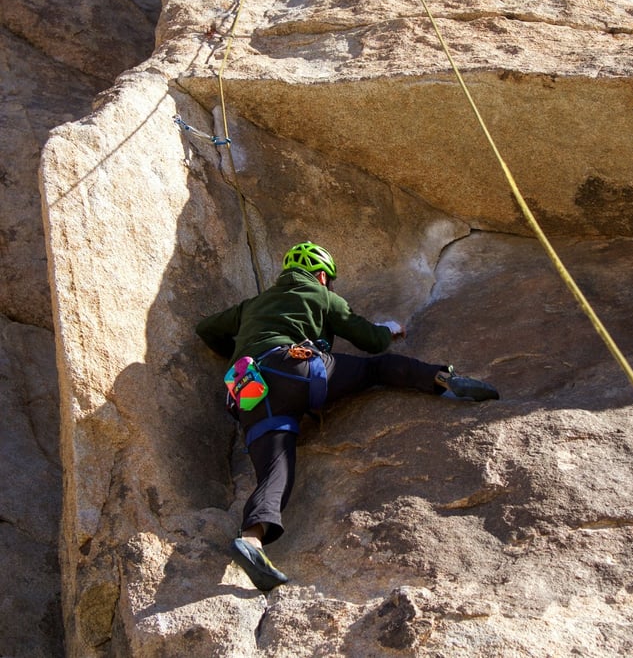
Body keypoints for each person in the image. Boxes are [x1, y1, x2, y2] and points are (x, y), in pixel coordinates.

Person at [195, 241, 499, 591]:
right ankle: (444, 379)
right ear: (322, 275)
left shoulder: (253, 304)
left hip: (248, 392)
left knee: (275, 471)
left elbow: (206, 329)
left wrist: (236, 350)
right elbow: (370, 341)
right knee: (378, 368)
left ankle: (252, 539)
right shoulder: (323, 296)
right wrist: (388, 329)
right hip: (295, 368)